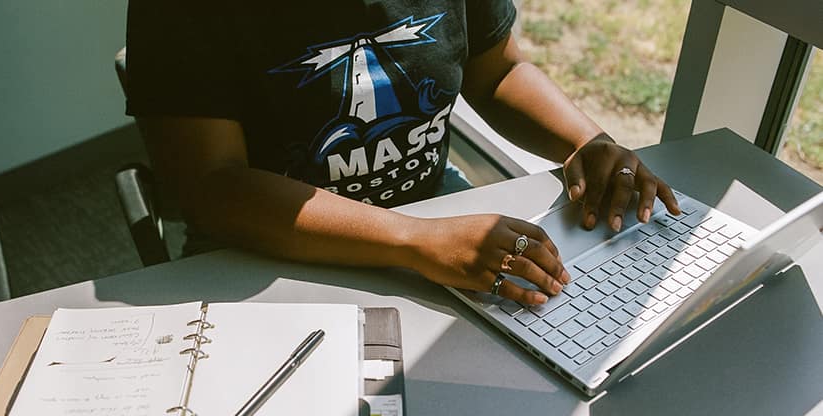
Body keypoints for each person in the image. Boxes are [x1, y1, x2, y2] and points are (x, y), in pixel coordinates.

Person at [124, 1, 679, 306]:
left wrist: (587, 140)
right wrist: (414, 241)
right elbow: (213, 186)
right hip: (262, 245)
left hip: (430, 209)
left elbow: (500, 70)